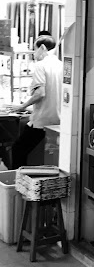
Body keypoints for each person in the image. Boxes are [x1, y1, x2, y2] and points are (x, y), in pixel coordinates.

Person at [9, 35, 62, 168]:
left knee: (17, 150)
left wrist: (22, 106)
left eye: (35, 49)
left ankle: (20, 184)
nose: (34, 53)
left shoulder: (40, 65)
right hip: (58, 121)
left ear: (43, 48)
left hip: (42, 121)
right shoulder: (61, 65)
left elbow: (40, 93)